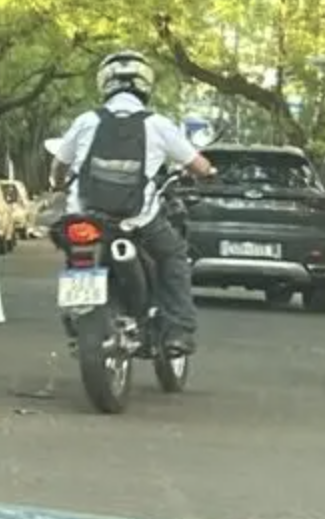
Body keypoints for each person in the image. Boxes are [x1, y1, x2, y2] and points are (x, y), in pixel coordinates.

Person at [47, 50, 217, 353]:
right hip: (137, 220)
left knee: (77, 252)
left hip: (84, 216)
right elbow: (199, 166)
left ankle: (75, 315)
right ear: (145, 85)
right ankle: (178, 329)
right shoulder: (158, 124)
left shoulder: (86, 121)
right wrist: (209, 172)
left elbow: (59, 164)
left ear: (104, 84)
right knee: (174, 256)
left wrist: (58, 185)